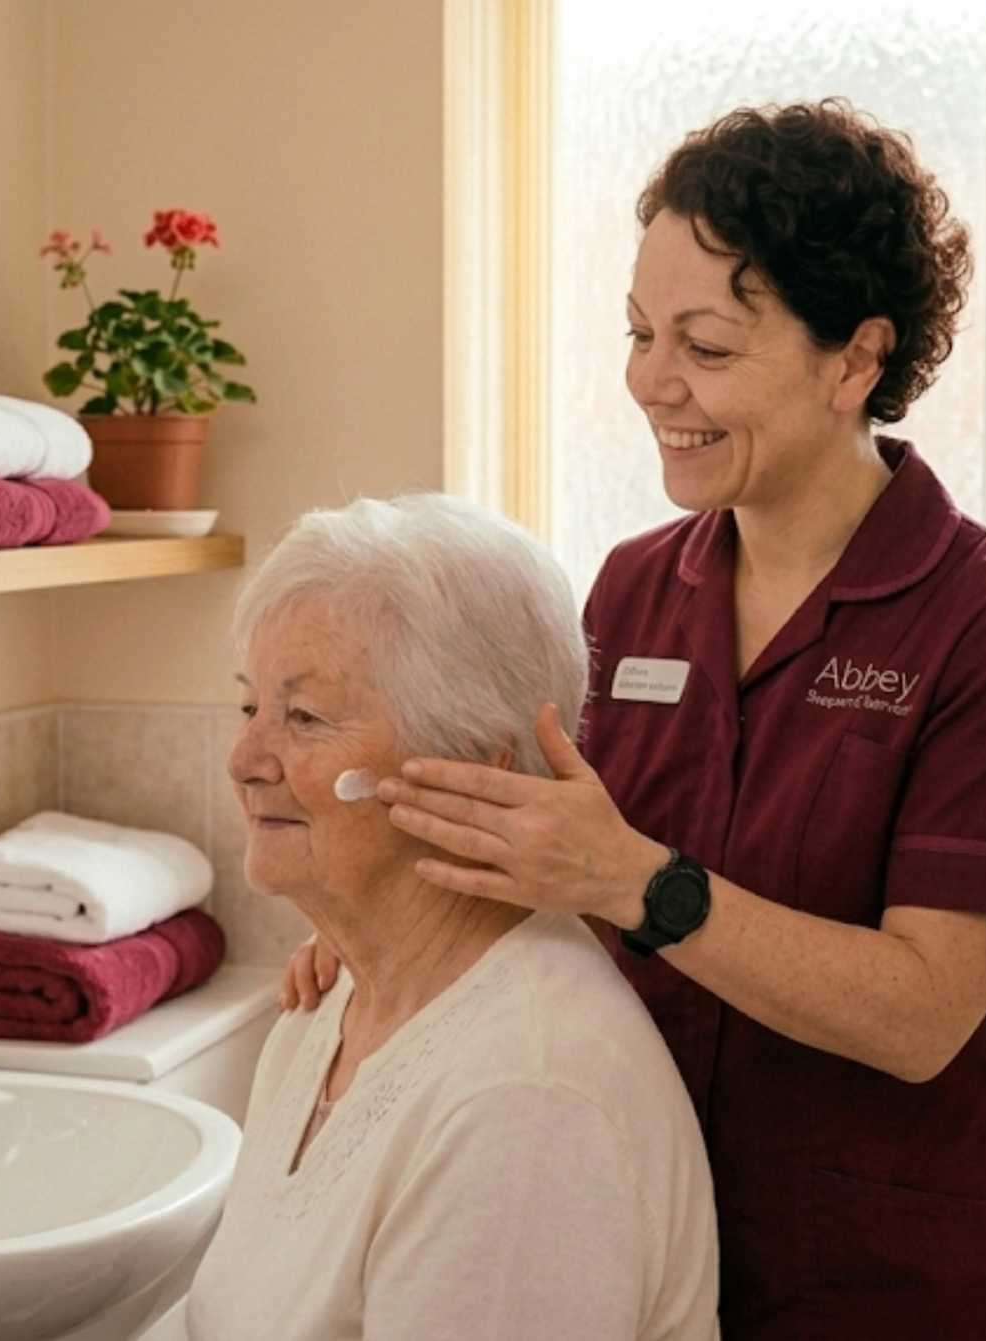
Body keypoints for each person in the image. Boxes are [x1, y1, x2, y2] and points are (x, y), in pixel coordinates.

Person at [287, 101, 986, 1340]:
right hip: (655, 1237)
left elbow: (924, 1014)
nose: (652, 383)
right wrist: (379, 934)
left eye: (706, 347)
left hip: (894, 1281)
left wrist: (646, 885)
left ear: (855, 359)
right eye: (639, 333)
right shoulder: (630, 591)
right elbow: (548, 857)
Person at [179, 494, 718, 1340]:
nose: (244, 760)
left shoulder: (525, 1104)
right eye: (251, 707)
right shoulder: (326, 1007)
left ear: (475, 763)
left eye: (306, 717)